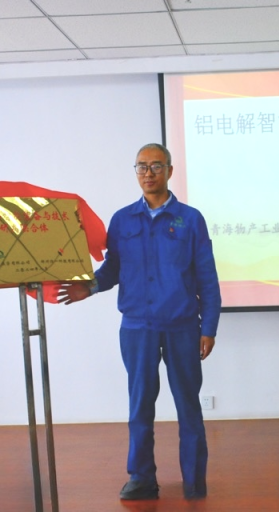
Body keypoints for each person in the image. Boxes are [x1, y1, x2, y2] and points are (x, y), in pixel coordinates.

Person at [58, 143, 221, 501]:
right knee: (140, 406)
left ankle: (194, 481)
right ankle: (142, 478)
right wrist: (90, 286)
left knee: (188, 406)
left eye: (156, 166)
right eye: (142, 166)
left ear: (170, 171)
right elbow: (112, 268)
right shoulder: (122, 220)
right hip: (137, 328)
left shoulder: (190, 219)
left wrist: (208, 327)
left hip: (182, 326)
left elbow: (207, 278)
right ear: (135, 172)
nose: (149, 173)